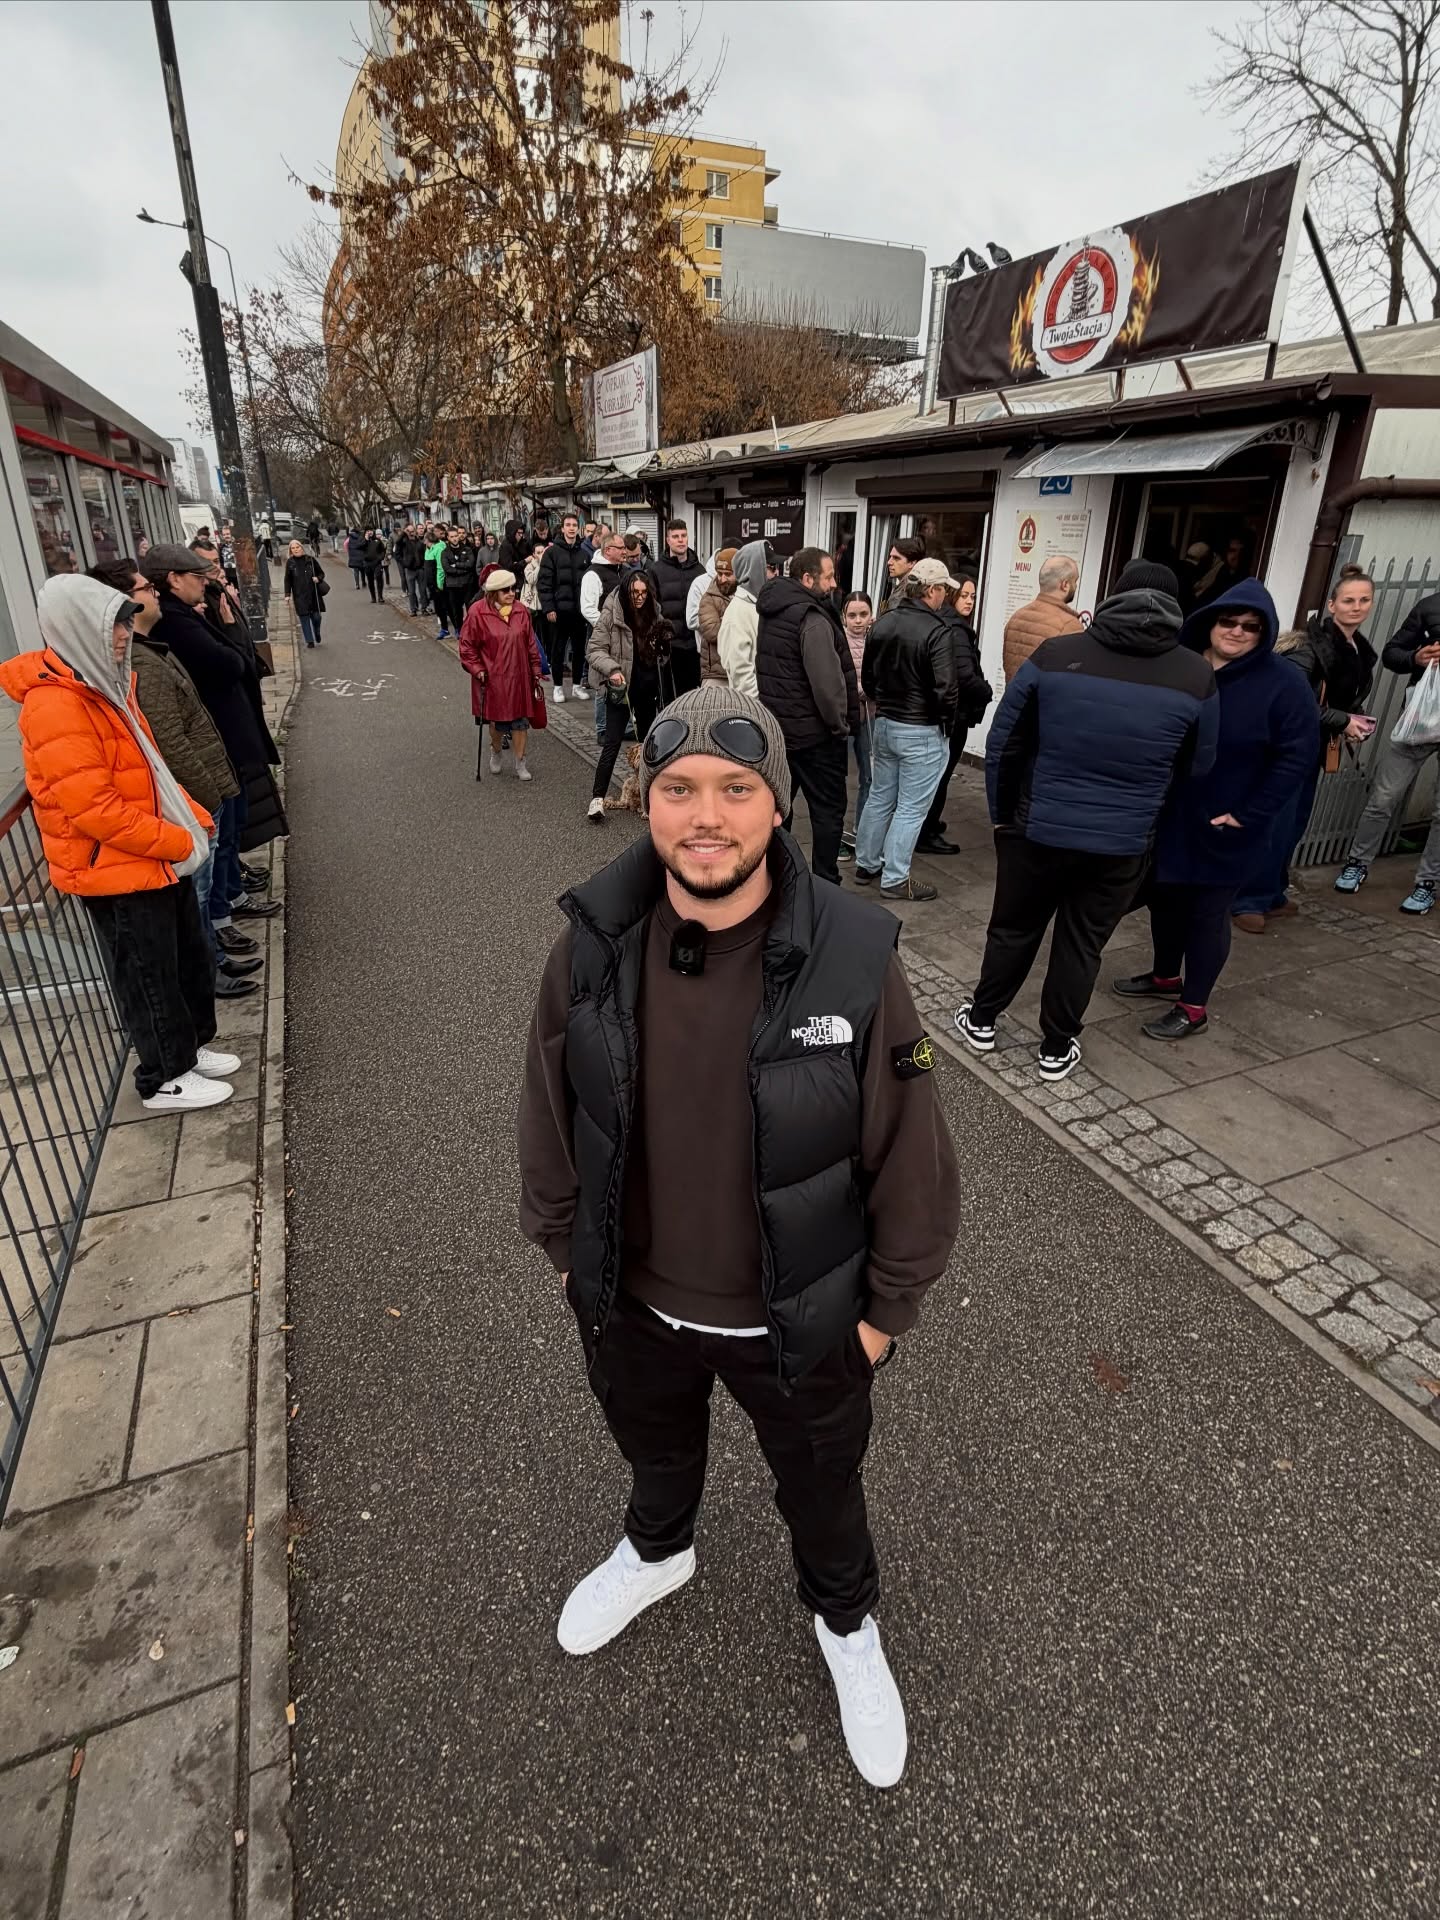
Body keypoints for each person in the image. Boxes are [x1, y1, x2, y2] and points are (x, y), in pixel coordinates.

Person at [517, 680, 961, 1791]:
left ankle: (845, 1619)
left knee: (822, 1486)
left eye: (735, 788)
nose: (705, 816)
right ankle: (658, 1550)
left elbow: (911, 1139)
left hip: (801, 1321)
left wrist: (884, 1314)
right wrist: (568, 1256)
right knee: (654, 1448)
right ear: (646, 797)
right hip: (633, 1301)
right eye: (678, 788)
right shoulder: (591, 943)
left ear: (776, 804)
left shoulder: (854, 956)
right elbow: (545, 1106)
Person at [954, 560, 1218, 1083]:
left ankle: (982, 1019)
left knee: (1014, 929)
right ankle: (1056, 1046)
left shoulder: (1057, 654)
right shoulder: (1196, 675)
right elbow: (1198, 767)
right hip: (1121, 842)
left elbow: (1005, 741)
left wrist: (1003, 817)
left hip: (1038, 828)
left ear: (1114, 595)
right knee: (1082, 942)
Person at [0, 573, 240, 1111]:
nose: (124, 634)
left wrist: (191, 818)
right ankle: (164, 1075)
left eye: (125, 623)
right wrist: (176, 839)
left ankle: (188, 1051)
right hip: (115, 866)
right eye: (113, 624)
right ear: (77, 627)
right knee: (147, 974)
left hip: (148, 854)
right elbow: (94, 809)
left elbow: (150, 773)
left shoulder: (103, 687)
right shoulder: (57, 705)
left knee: (183, 960)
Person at [1114, 580, 1317, 1040]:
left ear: (1265, 633)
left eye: (1251, 626)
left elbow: (1296, 757)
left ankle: (1193, 1007)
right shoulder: (1179, 665)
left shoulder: (1284, 683)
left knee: (1207, 914)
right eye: (1229, 620)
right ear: (1210, 621)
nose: (1238, 631)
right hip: (1169, 814)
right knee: (1165, 901)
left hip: (1228, 822)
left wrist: (1249, 813)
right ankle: (1166, 976)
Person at [88, 559, 258, 1001]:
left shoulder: (149, 648)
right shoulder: (141, 660)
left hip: (202, 788)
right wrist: (208, 794)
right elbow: (172, 739)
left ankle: (212, 959)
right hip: (194, 797)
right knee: (197, 892)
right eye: (146, 588)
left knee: (203, 888)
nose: (155, 593)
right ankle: (206, 973)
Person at [141, 544, 284, 960]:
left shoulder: (187, 616)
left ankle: (230, 900)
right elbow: (234, 663)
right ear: (174, 579)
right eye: (198, 577)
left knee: (231, 831)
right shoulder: (178, 624)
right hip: (216, 747)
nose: (207, 583)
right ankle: (220, 923)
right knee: (219, 840)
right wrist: (229, 627)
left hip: (223, 742)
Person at [1232, 565, 1377, 931]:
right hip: (1281, 748)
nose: (1356, 607)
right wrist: (1342, 720)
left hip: (1311, 747)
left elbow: (1343, 699)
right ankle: (1247, 900)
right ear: (1332, 604)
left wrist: (1353, 721)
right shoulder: (1306, 647)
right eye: (1348, 600)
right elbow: (1293, 702)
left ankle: (1272, 892)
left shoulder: (1359, 650)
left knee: (1294, 824)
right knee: (1274, 825)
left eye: (1364, 600)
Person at [852, 560, 958, 902]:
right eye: (943, 589)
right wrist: (945, 723)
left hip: (886, 722)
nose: (945, 596)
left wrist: (884, 703)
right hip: (920, 728)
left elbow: (869, 678)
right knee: (911, 807)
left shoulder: (882, 623)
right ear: (932, 589)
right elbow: (947, 689)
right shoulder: (938, 630)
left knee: (880, 795)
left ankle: (866, 863)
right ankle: (895, 877)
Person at [1333, 578, 1440, 915]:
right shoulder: (1430, 606)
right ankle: (1357, 863)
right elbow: (1392, 653)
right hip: (1419, 720)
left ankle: (1427, 883)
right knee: (1383, 797)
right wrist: (1416, 658)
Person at [756, 547, 856, 888]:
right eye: (828, 577)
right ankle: (825, 886)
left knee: (779, 811)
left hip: (781, 732)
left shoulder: (773, 609)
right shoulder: (811, 617)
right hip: (816, 738)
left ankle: (774, 879)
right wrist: (839, 725)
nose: (834, 583)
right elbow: (827, 686)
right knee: (827, 813)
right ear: (808, 578)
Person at [585, 569, 673, 821]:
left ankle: (650, 798)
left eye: (644, 593)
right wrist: (612, 669)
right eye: (635, 593)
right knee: (612, 742)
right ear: (626, 591)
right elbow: (594, 650)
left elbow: (662, 652)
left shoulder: (653, 611)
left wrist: (663, 647)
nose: (640, 598)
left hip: (647, 686)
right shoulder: (611, 612)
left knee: (649, 744)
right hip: (621, 688)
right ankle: (597, 798)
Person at [917, 575, 992, 857]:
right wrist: (987, 691)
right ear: (951, 596)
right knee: (941, 774)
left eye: (973, 596)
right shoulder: (957, 630)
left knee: (936, 773)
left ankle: (929, 823)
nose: (969, 601)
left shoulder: (944, 622)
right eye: (964, 595)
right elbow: (964, 677)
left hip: (944, 713)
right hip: (954, 715)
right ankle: (927, 832)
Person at [458, 569, 544, 782]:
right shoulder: (477, 612)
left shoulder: (521, 611)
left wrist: (535, 669)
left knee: (520, 722)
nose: (511, 593)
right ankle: (496, 751)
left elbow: (531, 644)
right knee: (497, 723)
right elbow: (467, 646)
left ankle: (520, 761)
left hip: (519, 676)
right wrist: (477, 669)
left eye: (513, 588)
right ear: (493, 592)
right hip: (493, 679)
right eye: (506, 590)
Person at [1002, 554, 1083, 684]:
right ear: (1065, 585)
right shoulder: (1070, 625)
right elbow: (1073, 681)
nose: (1076, 586)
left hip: (1014, 696)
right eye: (1075, 581)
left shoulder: (1016, 617)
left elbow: (1007, 667)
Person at [539, 510, 590, 704]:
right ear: (562, 528)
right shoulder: (551, 553)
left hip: (579, 611)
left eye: (574, 525)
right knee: (558, 650)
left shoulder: (583, 554)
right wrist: (549, 608)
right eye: (568, 525)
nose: (571, 529)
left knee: (579, 649)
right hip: (559, 611)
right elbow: (544, 583)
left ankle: (577, 685)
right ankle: (558, 687)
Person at [838, 591, 875, 858]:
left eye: (863, 614)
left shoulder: (877, 640)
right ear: (844, 617)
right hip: (843, 716)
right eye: (852, 615)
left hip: (870, 716)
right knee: (837, 779)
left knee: (869, 776)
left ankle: (862, 831)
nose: (858, 620)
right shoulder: (837, 642)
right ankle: (837, 835)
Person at [653, 520, 704, 696]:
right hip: (670, 647)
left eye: (683, 536)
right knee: (670, 697)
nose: (681, 540)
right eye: (675, 537)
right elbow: (652, 608)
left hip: (694, 646)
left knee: (693, 697)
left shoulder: (699, 570)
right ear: (668, 540)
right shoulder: (656, 570)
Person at [717, 539, 765, 695]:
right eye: (769, 567)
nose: (776, 573)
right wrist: (758, 704)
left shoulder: (759, 605)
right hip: (750, 703)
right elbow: (741, 675)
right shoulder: (738, 612)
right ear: (754, 570)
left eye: (727, 574)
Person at [695, 548, 737, 682]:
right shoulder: (708, 598)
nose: (723, 579)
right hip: (716, 674)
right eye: (719, 574)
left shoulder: (747, 596)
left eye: (728, 574)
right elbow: (712, 632)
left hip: (741, 673)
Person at [283, 539, 327, 648]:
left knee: (317, 617)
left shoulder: (310, 560)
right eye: (293, 548)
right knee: (304, 618)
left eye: (297, 547)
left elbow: (321, 573)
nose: (295, 550)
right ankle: (309, 641)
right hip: (299, 595)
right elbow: (287, 580)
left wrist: (318, 578)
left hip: (313, 594)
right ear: (290, 550)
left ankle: (317, 632)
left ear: (301, 548)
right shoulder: (290, 562)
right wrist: (287, 595)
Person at [441, 526, 479, 640]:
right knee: (456, 609)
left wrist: (456, 565)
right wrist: (462, 570)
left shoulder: (467, 549)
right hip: (453, 585)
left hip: (467, 584)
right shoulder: (445, 552)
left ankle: (472, 629)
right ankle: (459, 629)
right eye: (452, 536)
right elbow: (447, 568)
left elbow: (470, 564)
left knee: (470, 607)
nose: (454, 538)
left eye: (456, 536)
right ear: (448, 538)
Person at [880, 536, 925, 612]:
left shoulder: (909, 591)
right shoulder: (909, 586)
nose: (889, 562)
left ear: (912, 563)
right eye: (890, 557)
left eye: (896, 558)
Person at [394, 523, 427, 617]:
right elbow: (397, 551)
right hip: (410, 569)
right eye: (409, 531)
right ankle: (413, 609)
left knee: (422, 590)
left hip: (420, 568)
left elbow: (424, 553)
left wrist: (423, 564)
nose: (411, 533)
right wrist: (404, 563)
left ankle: (424, 608)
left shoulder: (419, 541)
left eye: (412, 531)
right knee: (411, 591)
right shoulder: (403, 542)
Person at [425, 527, 449, 634]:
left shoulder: (438, 548)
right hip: (431, 582)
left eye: (425, 540)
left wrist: (439, 583)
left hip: (437, 582)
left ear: (428, 540)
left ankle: (448, 627)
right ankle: (443, 627)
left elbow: (440, 567)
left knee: (443, 604)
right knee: (438, 605)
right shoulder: (428, 549)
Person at [360, 528, 386, 605]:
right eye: (368, 531)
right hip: (367, 563)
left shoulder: (377, 540)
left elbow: (383, 550)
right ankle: (373, 597)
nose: (369, 532)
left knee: (379, 578)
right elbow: (360, 547)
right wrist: (366, 539)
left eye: (371, 531)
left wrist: (380, 558)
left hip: (377, 563)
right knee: (370, 580)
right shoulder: (363, 541)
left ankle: (380, 596)